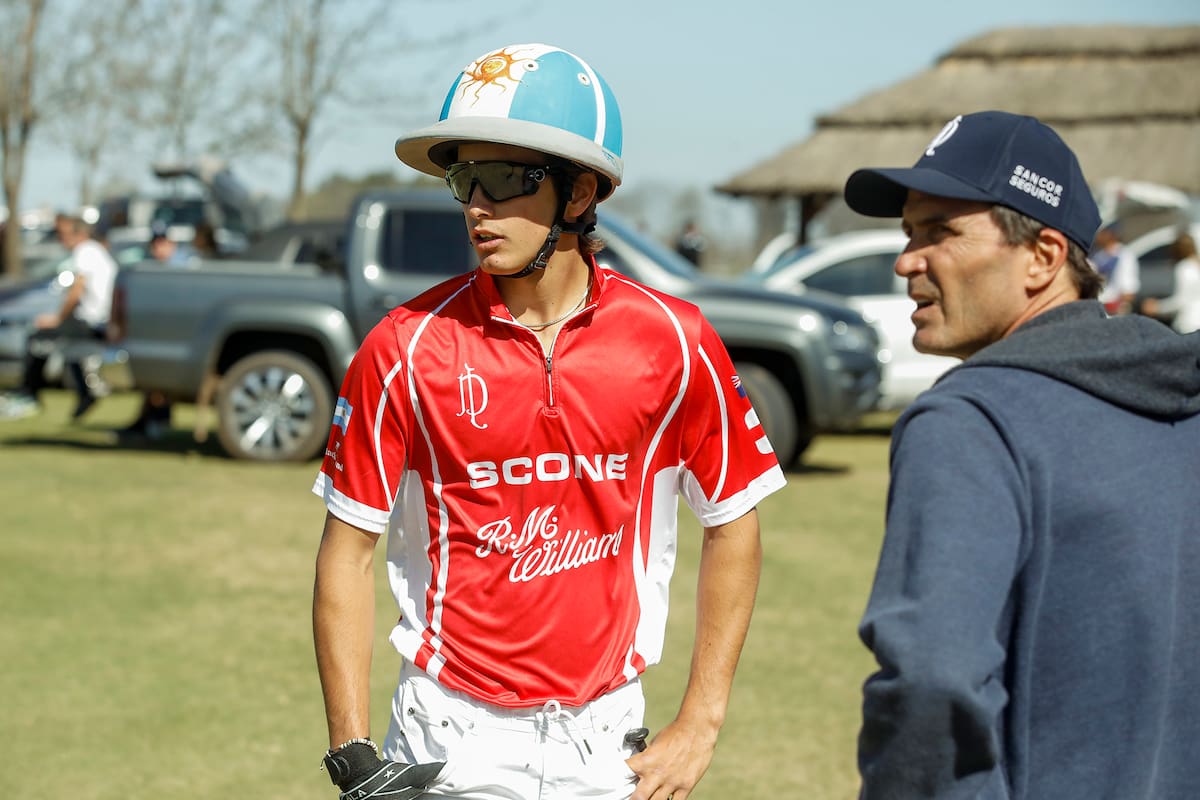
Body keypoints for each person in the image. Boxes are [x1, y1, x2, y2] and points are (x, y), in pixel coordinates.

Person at [311, 42, 786, 800]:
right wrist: (352, 752)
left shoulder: (676, 338)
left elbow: (733, 519)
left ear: (579, 192)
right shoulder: (402, 345)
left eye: (502, 179)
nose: (475, 205)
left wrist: (701, 719)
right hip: (446, 742)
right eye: (464, 179)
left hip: (605, 748)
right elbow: (347, 551)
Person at [842, 110, 1200, 799]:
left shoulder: (969, 423)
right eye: (909, 232)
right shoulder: (1180, 400)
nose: (905, 260)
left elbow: (931, 682)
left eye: (940, 230)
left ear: (1043, 257)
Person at [0, 212, 118, 421]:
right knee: (70, 348)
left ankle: (30, 394)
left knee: (38, 338)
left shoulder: (85, 251)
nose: (60, 239)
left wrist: (58, 318)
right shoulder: (97, 251)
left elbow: (77, 289)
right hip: (98, 320)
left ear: (79, 234)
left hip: (93, 321)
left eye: (63, 234)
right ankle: (85, 393)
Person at [1142, 230, 1200, 333]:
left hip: (1189, 325)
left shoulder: (1184, 268)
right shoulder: (1196, 266)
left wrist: (1157, 307)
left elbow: (1181, 301)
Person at [1090, 223, 1140, 314]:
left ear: (1110, 234)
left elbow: (1129, 291)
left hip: (1114, 310)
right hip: (1097, 308)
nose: (1098, 235)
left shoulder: (1125, 255)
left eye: (1102, 232)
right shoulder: (1097, 256)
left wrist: (1116, 306)